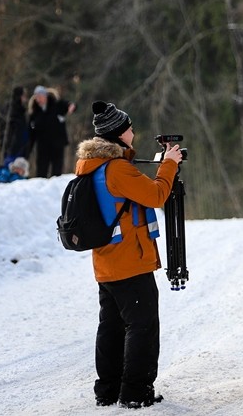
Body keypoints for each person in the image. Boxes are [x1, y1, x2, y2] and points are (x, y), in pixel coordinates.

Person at [77, 100, 183, 408]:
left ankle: (107, 391)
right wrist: (170, 164)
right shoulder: (118, 169)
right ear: (119, 133)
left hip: (107, 261)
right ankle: (136, 392)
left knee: (110, 327)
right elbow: (156, 195)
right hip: (130, 263)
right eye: (130, 128)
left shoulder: (93, 166)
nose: (133, 132)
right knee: (142, 326)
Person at [28, 85, 76, 177]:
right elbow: (32, 133)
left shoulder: (56, 105)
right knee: (41, 173)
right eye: (36, 98)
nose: (38, 100)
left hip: (57, 144)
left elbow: (68, 104)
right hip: (42, 147)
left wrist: (72, 106)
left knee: (56, 172)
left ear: (45, 96)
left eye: (40, 97)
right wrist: (28, 150)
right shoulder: (34, 112)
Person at [0, 86, 29, 165]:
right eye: (23, 96)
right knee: (10, 168)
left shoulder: (21, 109)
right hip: (12, 147)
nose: (25, 98)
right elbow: (5, 128)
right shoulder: (10, 108)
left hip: (20, 147)